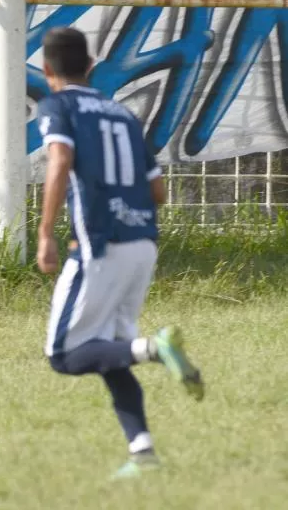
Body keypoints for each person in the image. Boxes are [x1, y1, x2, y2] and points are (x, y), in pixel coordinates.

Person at [35, 27, 205, 479]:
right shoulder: (123, 113)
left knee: (63, 355)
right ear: (91, 67)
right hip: (143, 243)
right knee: (109, 349)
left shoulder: (56, 106)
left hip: (101, 242)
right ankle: (143, 452)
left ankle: (155, 348)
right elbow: (158, 191)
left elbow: (60, 161)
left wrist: (46, 232)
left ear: (47, 69)